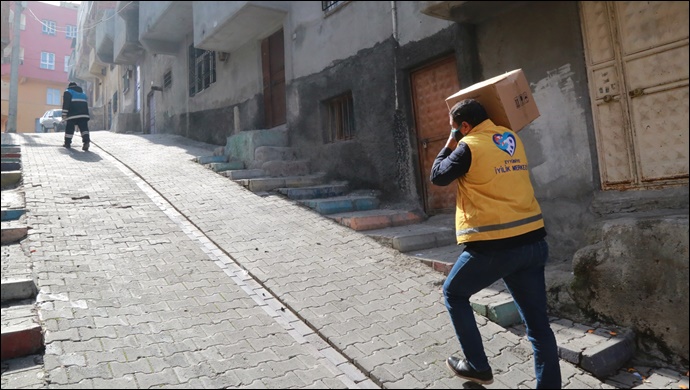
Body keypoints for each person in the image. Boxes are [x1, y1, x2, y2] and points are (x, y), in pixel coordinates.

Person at [430, 99, 561, 389]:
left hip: (495, 246)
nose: (455, 132)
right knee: (539, 327)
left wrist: (451, 140)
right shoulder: (511, 137)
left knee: (453, 293)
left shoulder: (468, 146)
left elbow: (437, 175)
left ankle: (478, 367)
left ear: (464, 126)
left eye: (456, 127)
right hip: (533, 241)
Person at [62, 81, 91, 151]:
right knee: (84, 129)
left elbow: (66, 104)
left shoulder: (68, 92)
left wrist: (64, 114)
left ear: (69, 86)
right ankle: (86, 142)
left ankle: (67, 143)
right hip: (84, 115)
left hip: (72, 114)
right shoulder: (83, 93)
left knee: (69, 129)